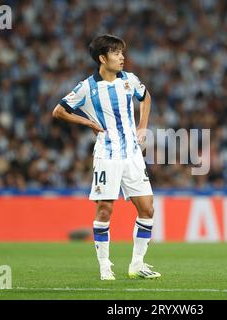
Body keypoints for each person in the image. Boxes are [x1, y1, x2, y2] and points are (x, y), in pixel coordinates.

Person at [52, 34, 160, 280]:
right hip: (107, 155)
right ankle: (104, 267)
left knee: (148, 208)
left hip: (132, 155)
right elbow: (59, 111)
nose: (122, 57)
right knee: (104, 210)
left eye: (122, 52)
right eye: (116, 53)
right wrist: (88, 121)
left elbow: (146, 97)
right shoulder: (87, 88)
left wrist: (142, 127)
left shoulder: (130, 80)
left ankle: (137, 265)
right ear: (103, 58)